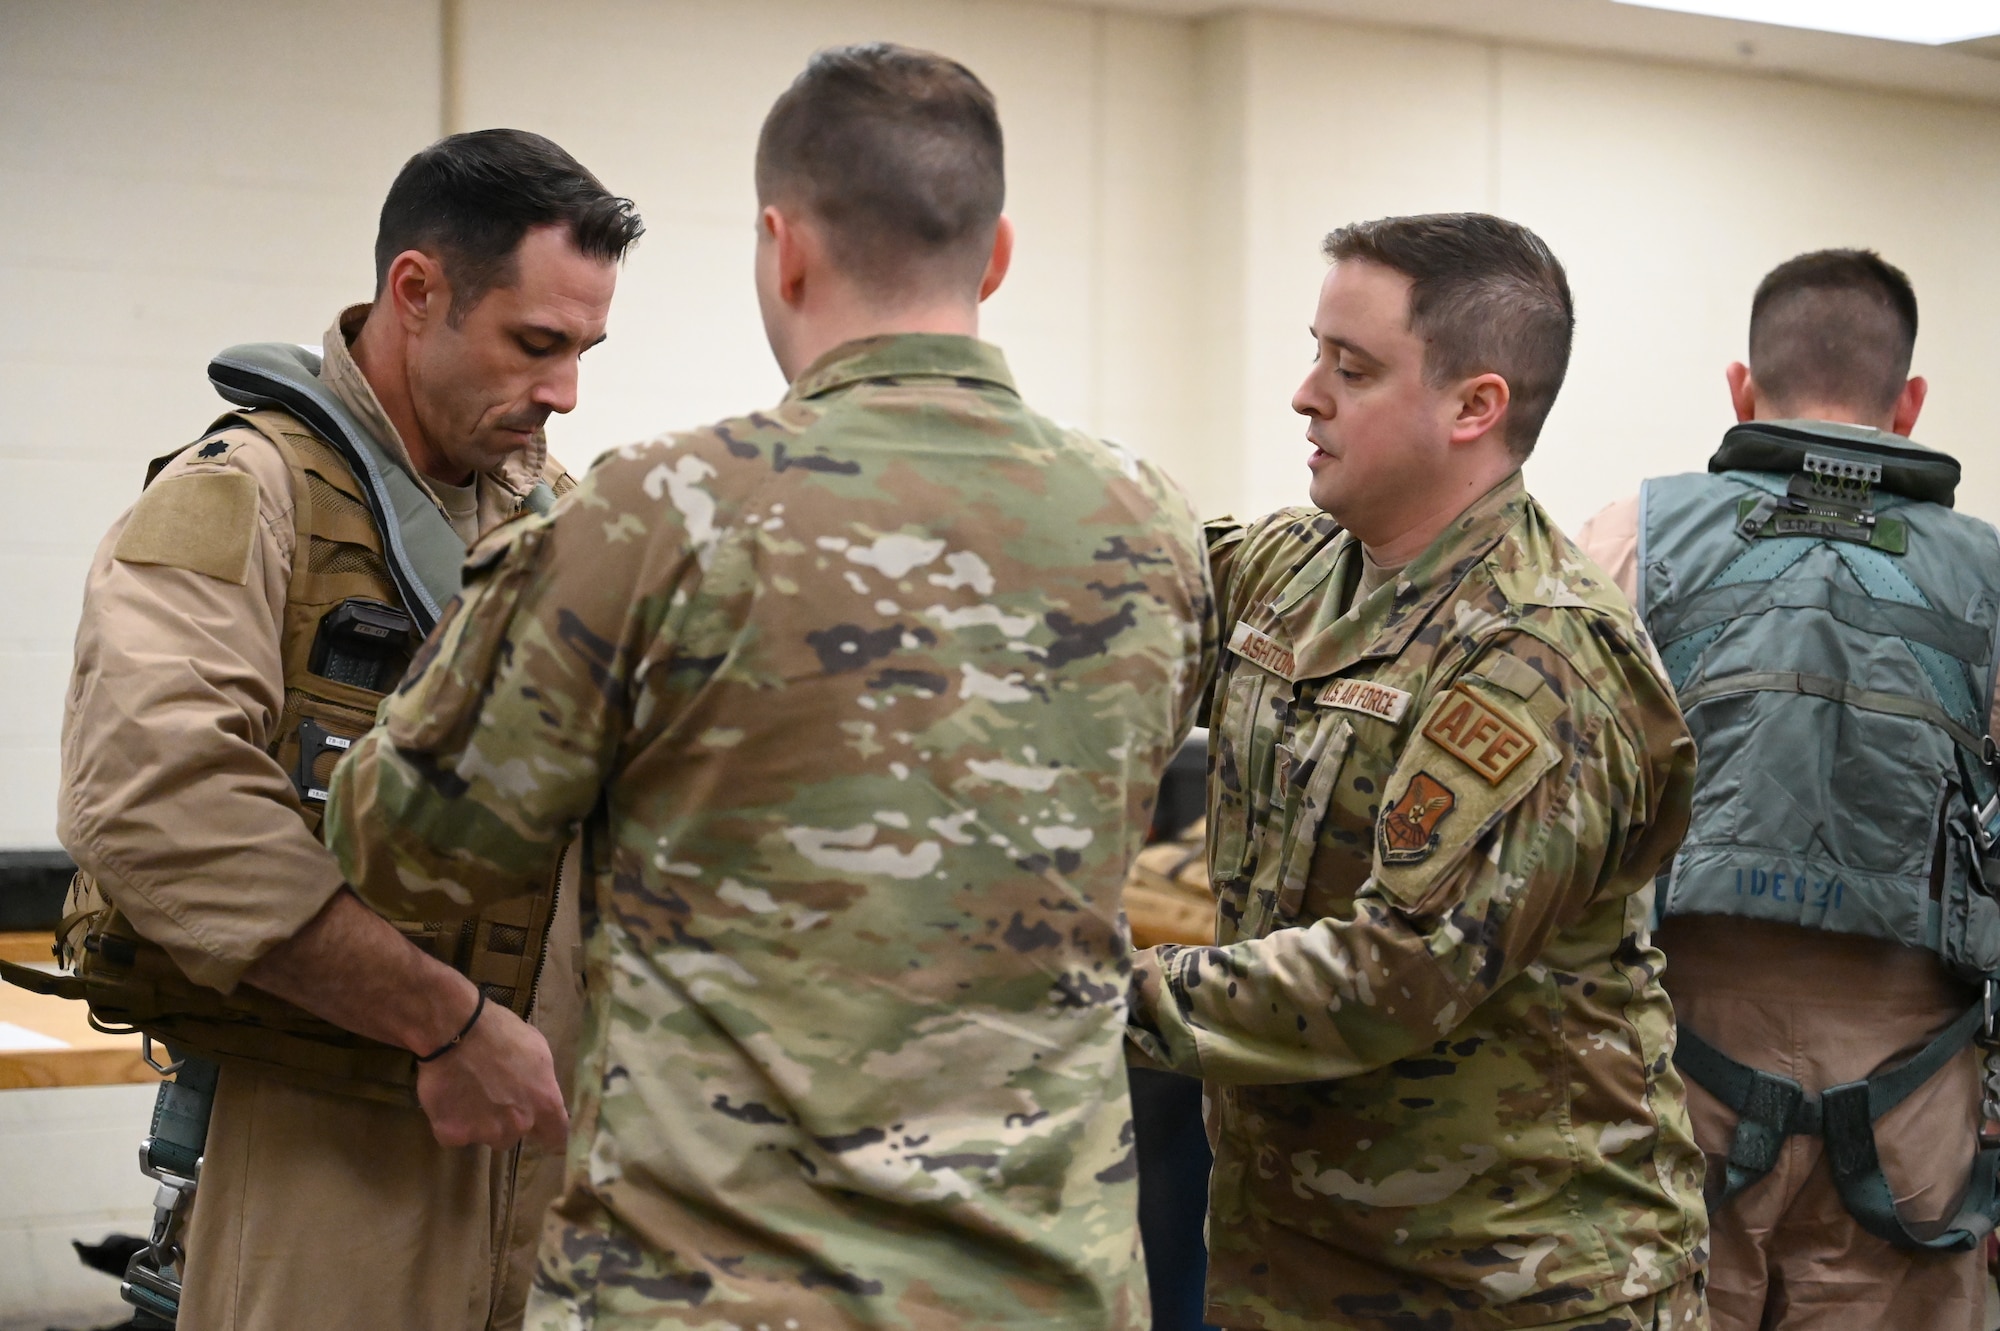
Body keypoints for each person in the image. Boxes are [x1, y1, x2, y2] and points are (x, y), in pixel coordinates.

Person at [322, 43, 1213, 1331]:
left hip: (715, 1287)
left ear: (780, 248)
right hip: (1047, 1284)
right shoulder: (1150, 525)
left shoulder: (662, 511)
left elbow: (407, 848)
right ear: (996, 253)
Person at [53, 129, 642, 1329]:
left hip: (539, 1161)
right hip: (332, 1148)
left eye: (584, 350)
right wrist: (450, 1021)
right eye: (535, 343)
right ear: (415, 291)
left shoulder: (559, 521)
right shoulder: (245, 491)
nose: (565, 391)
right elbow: (157, 804)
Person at [1124, 213, 1709, 1330]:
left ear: (1473, 406)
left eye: (1350, 368)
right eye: (1314, 353)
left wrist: (1087, 995)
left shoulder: (1537, 653)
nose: (1305, 392)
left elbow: (1392, 973)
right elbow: (1099, 588)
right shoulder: (1297, 569)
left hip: (1514, 1279)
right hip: (1293, 1255)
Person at [1575, 249, 1999, 1331]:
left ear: (1738, 386)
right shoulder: (1990, 577)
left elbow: (1556, 818)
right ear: (1907, 403)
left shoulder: (1627, 538)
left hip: (1669, 1064)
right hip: (1916, 1096)